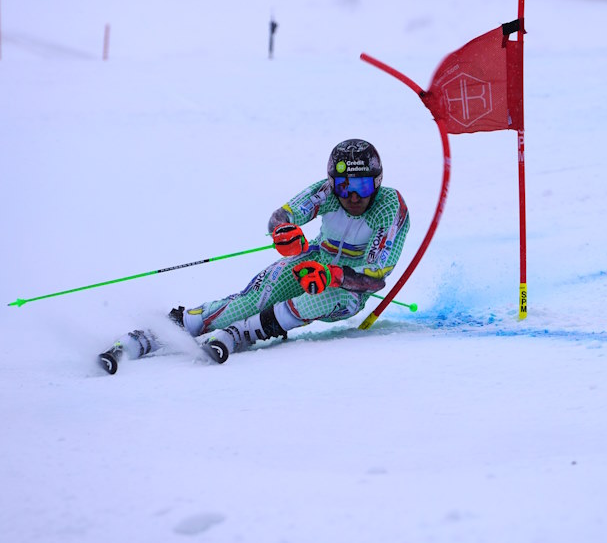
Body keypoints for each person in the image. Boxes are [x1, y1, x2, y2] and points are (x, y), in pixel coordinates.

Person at [99, 139, 410, 373]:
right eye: (344, 186)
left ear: (378, 181)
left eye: (363, 185)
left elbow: (373, 278)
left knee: (316, 300)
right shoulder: (326, 193)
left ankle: (241, 334)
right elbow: (282, 215)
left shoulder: (388, 207)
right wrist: (283, 232)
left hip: (348, 287)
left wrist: (333, 276)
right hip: (316, 259)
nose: (353, 195)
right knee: (253, 299)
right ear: (332, 183)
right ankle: (165, 330)